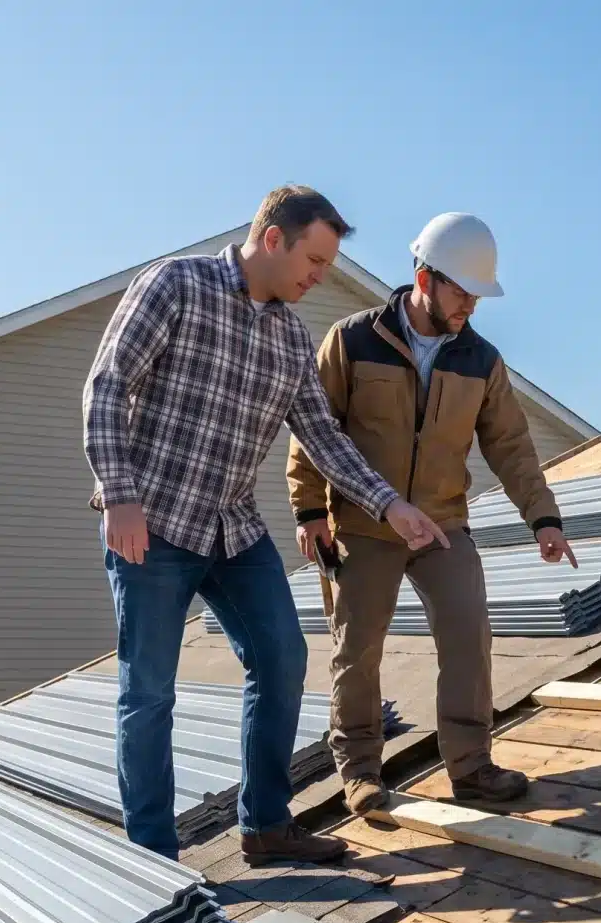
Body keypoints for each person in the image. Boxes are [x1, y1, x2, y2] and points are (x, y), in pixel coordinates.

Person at [84, 185, 448, 864]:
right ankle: (153, 858)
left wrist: (390, 505)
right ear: (273, 238)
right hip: (154, 522)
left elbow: (325, 438)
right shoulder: (176, 285)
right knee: (149, 692)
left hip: (232, 526)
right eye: (313, 259)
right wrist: (120, 492)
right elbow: (107, 385)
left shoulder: (289, 336)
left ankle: (266, 825)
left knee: (283, 656)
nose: (318, 276)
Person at [287, 212, 574, 816]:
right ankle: (362, 771)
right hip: (364, 524)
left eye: (478, 294)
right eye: (461, 290)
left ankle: (471, 768)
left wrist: (543, 519)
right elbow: (315, 430)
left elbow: (511, 446)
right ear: (424, 277)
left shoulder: (481, 360)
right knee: (357, 649)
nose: (471, 303)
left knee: (469, 635)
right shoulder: (352, 339)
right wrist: (310, 508)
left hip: (443, 524)